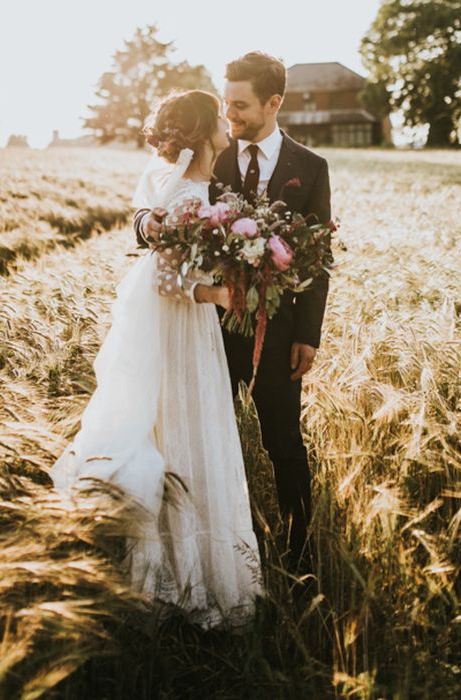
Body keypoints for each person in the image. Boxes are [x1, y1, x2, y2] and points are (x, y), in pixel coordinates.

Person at [49, 89, 264, 631]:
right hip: (181, 326)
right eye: (217, 114)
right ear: (200, 131)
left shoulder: (199, 187)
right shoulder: (188, 194)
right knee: (183, 429)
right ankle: (182, 576)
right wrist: (218, 295)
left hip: (188, 329)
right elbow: (170, 281)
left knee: (179, 430)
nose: (226, 121)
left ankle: (179, 562)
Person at [133, 52, 332, 583]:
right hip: (207, 333)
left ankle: (299, 556)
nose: (231, 115)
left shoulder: (311, 167)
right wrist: (145, 225)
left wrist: (308, 336)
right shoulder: (210, 152)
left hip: (281, 331)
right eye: (226, 103)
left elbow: (320, 257)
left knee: (285, 442)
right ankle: (216, 553)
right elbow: (157, 202)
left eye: (241, 105)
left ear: (274, 103)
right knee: (207, 440)